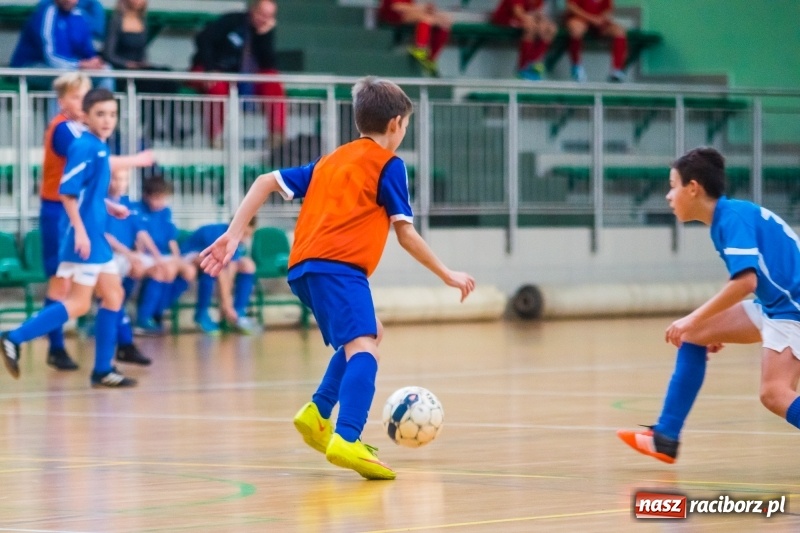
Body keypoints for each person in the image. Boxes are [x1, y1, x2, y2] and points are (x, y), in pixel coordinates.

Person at [199, 76, 476, 480]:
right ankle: (347, 437)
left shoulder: (331, 160)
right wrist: (447, 273)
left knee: (370, 332)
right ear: (397, 123)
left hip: (304, 269)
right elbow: (406, 233)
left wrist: (235, 232)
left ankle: (317, 413)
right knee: (366, 347)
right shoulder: (389, 165)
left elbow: (263, 182)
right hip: (339, 268)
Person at [618, 147, 800, 463]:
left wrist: (691, 318)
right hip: (777, 305)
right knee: (695, 335)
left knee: (774, 392)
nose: (668, 196)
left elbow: (745, 283)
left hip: (792, 308)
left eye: (673, 185)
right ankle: (665, 437)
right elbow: (748, 284)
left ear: (693, 187)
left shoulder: (732, 219)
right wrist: (704, 324)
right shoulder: (726, 219)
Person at [1, 88, 138, 388]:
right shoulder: (84, 146)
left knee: (114, 296)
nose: (107, 120)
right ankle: (14, 337)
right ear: (86, 116)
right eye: (100, 114)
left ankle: (103, 369)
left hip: (95, 236)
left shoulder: (100, 147)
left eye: (112, 114)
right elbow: (67, 192)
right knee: (77, 303)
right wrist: (79, 229)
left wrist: (109, 205)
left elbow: (89, 192)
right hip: (85, 238)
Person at [37, 72, 153, 372]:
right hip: (60, 212)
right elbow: (98, 161)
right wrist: (136, 161)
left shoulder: (80, 130)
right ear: (63, 102)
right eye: (76, 97)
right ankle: (53, 345)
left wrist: (108, 202)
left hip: (85, 210)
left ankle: (121, 346)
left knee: (110, 287)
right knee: (62, 286)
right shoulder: (64, 131)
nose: (82, 102)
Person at [190, 0, 286, 150]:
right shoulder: (232, 20)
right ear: (253, 10)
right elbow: (204, 39)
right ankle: (214, 136)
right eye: (261, 14)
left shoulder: (264, 31)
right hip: (211, 70)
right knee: (217, 86)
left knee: (272, 80)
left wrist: (264, 36)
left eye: (269, 16)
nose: (264, 19)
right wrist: (211, 70)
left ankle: (276, 136)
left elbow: (268, 64)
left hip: (243, 77)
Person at [105, 168, 162, 365]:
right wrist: (130, 254)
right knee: (107, 296)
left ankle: (138, 322)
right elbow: (104, 235)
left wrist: (157, 257)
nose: (121, 183)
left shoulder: (128, 203)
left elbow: (141, 232)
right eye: (117, 178)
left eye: (125, 179)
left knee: (159, 270)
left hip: (123, 256)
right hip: (107, 255)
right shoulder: (100, 201)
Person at [134, 175, 196, 334]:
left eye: (163, 198)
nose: (160, 202)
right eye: (156, 198)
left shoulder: (165, 212)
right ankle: (144, 316)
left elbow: (171, 238)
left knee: (189, 271)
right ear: (146, 196)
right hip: (146, 255)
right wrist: (159, 260)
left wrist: (178, 258)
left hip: (163, 254)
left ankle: (160, 309)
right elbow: (140, 240)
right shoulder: (137, 210)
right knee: (164, 271)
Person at [10, 0, 114, 91]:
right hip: (30, 67)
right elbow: (51, 58)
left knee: (105, 71)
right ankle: (59, 114)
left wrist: (94, 62)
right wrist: (79, 65)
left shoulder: (80, 16)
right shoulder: (46, 13)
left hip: (70, 67)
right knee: (63, 77)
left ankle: (102, 112)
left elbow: (87, 51)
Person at [181, 219, 258, 335]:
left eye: (248, 235)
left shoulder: (237, 239)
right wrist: (226, 304)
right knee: (216, 269)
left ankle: (238, 312)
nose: (245, 239)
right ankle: (202, 314)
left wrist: (228, 302)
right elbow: (222, 269)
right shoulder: (220, 235)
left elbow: (231, 269)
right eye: (244, 234)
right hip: (189, 255)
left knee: (248, 265)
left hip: (210, 259)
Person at [378, 0, 451, 77]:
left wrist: (425, 9)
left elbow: (409, 6)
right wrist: (421, 9)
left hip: (405, 13)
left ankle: (431, 59)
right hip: (391, 15)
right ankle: (420, 49)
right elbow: (396, 6)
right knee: (426, 18)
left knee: (444, 21)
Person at [490, 0, 556, 81]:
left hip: (523, 19)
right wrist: (536, 23)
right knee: (530, 26)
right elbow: (517, 12)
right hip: (506, 19)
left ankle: (533, 63)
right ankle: (522, 68)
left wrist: (544, 24)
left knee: (551, 29)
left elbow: (539, 14)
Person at [564, 0, 627, 82]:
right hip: (580, 18)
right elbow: (571, 7)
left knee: (619, 31)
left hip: (598, 21)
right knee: (576, 28)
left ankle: (616, 71)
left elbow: (609, 9)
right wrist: (590, 18)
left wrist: (601, 18)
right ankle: (576, 67)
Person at [38, 0, 107, 42]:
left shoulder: (92, 5)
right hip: (44, 60)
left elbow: (98, 31)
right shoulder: (47, 6)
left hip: (86, 49)